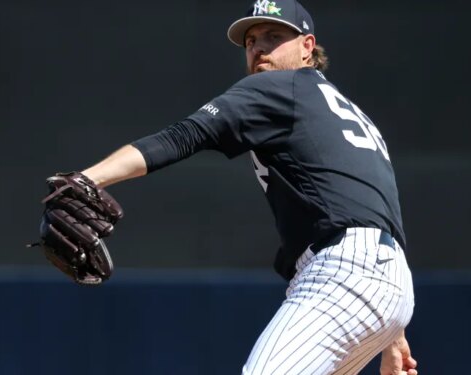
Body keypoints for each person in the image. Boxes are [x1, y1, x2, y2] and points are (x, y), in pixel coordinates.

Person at [77, 1, 416, 373]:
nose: (259, 47)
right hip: (380, 274)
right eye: (251, 40)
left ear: (307, 46)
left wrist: (87, 179)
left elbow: (184, 136)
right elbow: (371, 208)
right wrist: (392, 328)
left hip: (345, 272)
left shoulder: (278, 87)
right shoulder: (338, 108)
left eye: (274, 36)